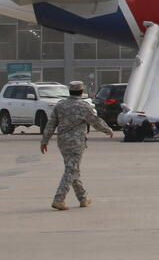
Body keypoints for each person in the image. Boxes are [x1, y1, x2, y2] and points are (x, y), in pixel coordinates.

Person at [40, 80, 113, 210]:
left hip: (62, 143)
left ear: (70, 91)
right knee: (71, 170)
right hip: (76, 143)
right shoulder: (83, 106)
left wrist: (45, 141)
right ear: (81, 92)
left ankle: (83, 198)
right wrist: (108, 130)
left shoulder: (60, 105)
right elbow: (95, 121)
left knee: (73, 169)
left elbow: (51, 124)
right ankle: (59, 199)